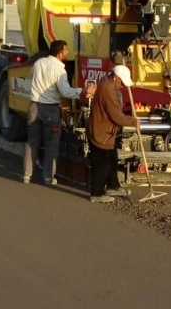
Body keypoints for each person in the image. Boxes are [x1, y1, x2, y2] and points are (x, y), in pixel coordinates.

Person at [23, 39, 88, 186]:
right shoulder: (59, 70)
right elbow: (66, 92)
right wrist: (83, 90)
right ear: (60, 52)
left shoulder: (39, 63)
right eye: (66, 50)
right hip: (50, 109)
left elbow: (33, 75)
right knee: (51, 143)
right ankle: (48, 177)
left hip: (34, 106)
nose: (67, 52)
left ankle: (27, 175)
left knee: (32, 141)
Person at [87, 64, 133, 202]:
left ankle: (113, 186)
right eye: (121, 82)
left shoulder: (108, 82)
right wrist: (133, 121)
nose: (122, 86)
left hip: (106, 131)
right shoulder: (108, 89)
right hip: (101, 132)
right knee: (102, 163)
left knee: (112, 159)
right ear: (116, 77)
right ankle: (97, 193)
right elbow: (116, 116)